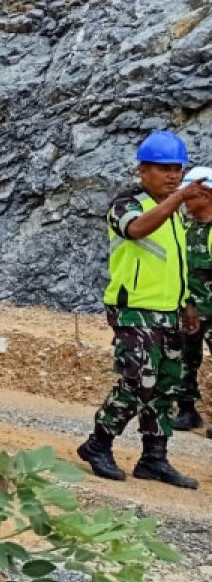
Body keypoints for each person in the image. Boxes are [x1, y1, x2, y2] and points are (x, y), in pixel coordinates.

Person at [77, 131, 207, 489]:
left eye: (178, 169)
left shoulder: (176, 215)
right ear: (143, 170)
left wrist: (187, 304)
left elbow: (177, 264)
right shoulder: (127, 204)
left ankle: (154, 458)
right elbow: (135, 230)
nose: (173, 175)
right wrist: (179, 198)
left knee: (165, 386)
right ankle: (97, 443)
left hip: (168, 311)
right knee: (138, 381)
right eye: (164, 169)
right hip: (133, 310)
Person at [180, 166, 212, 437]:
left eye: (190, 196)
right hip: (190, 309)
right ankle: (186, 410)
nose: (185, 201)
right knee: (186, 360)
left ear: (206, 194)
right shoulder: (188, 227)